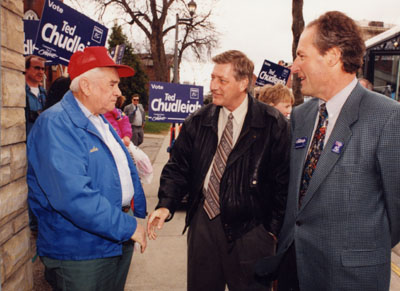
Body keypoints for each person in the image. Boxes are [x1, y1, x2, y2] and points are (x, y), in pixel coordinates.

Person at [257, 11, 400, 291]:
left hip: (350, 278)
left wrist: (358, 252)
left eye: (302, 56)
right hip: (293, 270)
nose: (294, 67)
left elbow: (396, 211)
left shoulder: (387, 118)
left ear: (332, 56)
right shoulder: (301, 116)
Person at [147, 50, 290, 290]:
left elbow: (283, 181)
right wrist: (165, 204)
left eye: (222, 80)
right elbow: (177, 167)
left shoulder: (272, 123)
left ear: (244, 83)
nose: (213, 86)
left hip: (251, 229)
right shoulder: (198, 120)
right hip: (203, 224)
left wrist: (271, 230)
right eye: (212, 78)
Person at [27, 46, 147, 291]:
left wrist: (137, 216)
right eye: (112, 84)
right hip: (81, 252)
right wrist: (130, 226)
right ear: (86, 86)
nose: (118, 92)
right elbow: (73, 197)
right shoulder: (56, 124)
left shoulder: (99, 119)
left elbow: (122, 170)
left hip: (114, 237)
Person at [25, 55, 47, 135]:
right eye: (37, 68)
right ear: (26, 68)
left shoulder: (45, 94)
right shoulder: (19, 92)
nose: (41, 72)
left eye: (43, 69)